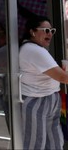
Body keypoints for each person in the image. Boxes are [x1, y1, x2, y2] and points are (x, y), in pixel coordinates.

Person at [19, 15, 68, 150]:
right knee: (36, 144)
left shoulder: (37, 50)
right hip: (37, 100)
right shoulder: (33, 50)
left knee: (54, 142)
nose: (50, 34)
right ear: (32, 31)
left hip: (48, 98)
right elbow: (63, 78)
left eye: (52, 31)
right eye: (46, 30)